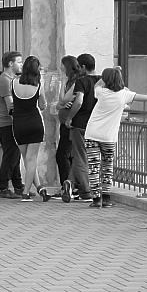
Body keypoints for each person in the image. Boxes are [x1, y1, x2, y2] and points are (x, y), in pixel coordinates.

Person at [83, 67, 147, 208]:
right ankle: (106, 199)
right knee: (107, 166)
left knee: (93, 167)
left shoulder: (100, 92)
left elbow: (97, 85)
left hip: (92, 133)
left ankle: (96, 199)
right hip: (108, 137)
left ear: (106, 80)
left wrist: (108, 75)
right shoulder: (124, 95)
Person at [63, 53, 100, 203]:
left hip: (81, 124)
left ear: (84, 67)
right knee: (92, 157)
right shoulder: (101, 81)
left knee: (79, 156)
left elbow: (78, 101)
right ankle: (71, 183)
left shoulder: (82, 82)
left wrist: (69, 118)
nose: (78, 69)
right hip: (96, 124)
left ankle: (86, 190)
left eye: (79, 66)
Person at [12, 56, 49, 202]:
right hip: (34, 122)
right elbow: (42, 105)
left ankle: (39, 187)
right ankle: (26, 193)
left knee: (26, 158)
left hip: (18, 123)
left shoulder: (13, 83)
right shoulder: (38, 85)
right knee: (32, 159)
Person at [0, 51, 25, 199]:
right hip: (7, 123)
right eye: (19, 62)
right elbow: (10, 106)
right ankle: (3, 187)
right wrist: (18, 124)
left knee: (15, 156)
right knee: (10, 156)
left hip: (9, 123)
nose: (21, 65)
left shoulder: (12, 79)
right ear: (11, 63)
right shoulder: (5, 81)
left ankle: (18, 186)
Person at [55, 56, 84, 200]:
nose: (60, 68)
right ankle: (70, 185)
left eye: (62, 66)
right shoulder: (68, 82)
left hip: (70, 124)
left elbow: (63, 99)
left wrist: (62, 82)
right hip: (64, 123)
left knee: (62, 154)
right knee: (67, 155)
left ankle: (67, 186)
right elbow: (59, 104)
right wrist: (60, 104)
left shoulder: (76, 82)